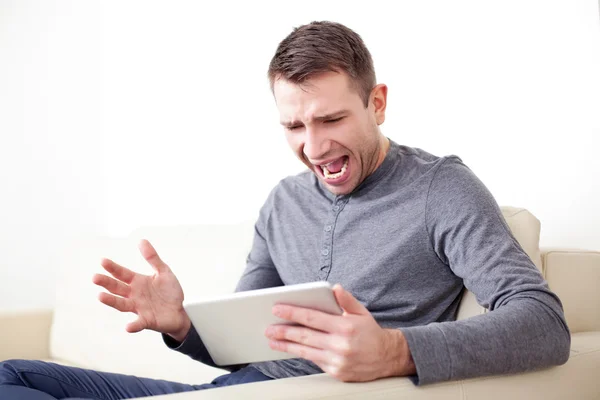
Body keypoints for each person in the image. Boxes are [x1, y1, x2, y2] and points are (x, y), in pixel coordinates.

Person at [0, 20, 570, 400]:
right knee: (13, 375)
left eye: (331, 119)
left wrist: (395, 350)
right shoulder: (283, 201)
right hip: (237, 390)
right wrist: (181, 325)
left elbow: (545, 326)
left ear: (377, 102)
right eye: (294, 126)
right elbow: (244, 349)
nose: (314, 148)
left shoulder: (440, 188)